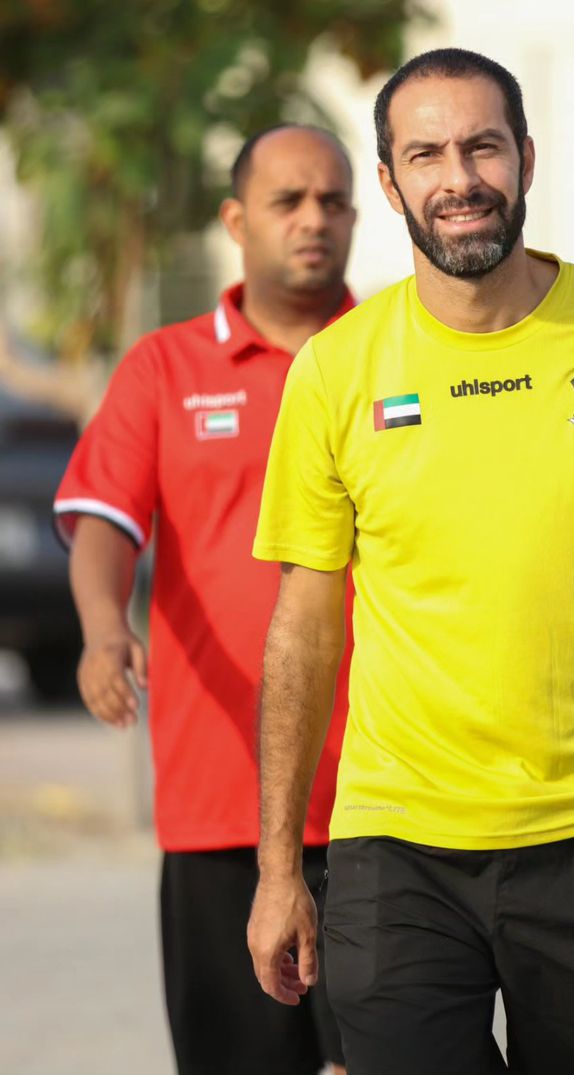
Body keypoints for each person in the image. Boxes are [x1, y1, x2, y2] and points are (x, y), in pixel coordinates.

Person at [248, 49, 574, 1075]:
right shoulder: (337, 369)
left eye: (482, 147)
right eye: (426, 154)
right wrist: (277, 867)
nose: (460, 178)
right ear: (389, 182)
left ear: (525, 158)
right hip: (397, 848)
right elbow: (303, 625)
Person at [54, 124, 356, 1075]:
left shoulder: (393, 357)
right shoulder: (164, 368)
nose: (313, 220)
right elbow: (105, 521)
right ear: (235, 220)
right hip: (221, 806)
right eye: (286, 201)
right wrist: (104, 631)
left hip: (392, 805)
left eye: (333, 201)